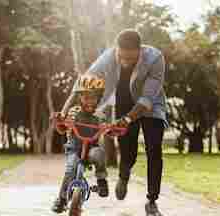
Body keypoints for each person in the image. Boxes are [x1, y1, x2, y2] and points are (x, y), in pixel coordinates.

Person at [61, 29, 167, 216]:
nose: (125, 62)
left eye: (130, 59)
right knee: (128, 149)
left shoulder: (155, 58)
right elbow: (84, 81)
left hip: (152, 106)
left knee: (154, 149)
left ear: (139, 51)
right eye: (122, 57)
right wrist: (64, 110)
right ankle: (124, 174)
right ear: (117, 50)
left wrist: (127, 119)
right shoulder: (109, 56)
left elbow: (147, 98)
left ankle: (152, 201)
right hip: (125, 100)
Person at [51, 74, 109, 214]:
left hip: (91, 149)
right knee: (70, 169)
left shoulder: (100, 115)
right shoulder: (73, 112)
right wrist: (60, 122)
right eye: (86, 97)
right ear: (80, 98)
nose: (89, 101)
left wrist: (109, 129)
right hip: (74, 149)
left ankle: (101, 181)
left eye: (93, 98)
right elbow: (61, 129)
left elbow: (109, 130)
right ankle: (62, 199)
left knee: (99, 153)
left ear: (98, 99)